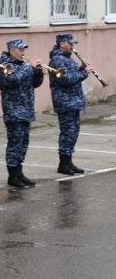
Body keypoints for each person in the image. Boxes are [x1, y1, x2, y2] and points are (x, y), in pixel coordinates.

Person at [0, 39, 44, 187]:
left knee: (23, 143)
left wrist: (38, 72)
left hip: (26, 109)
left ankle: (19, 172)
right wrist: (29, 68)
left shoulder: (23, 65)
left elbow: (34, 84)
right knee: (15, 144)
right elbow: (13, 80)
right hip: (14, 110)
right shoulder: (6, 65)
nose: (23, 53)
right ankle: (12, 176)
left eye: (24, 50)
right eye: (20, 50)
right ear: (12, 51)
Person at [48, 33, 92, 175]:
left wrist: (81, 68)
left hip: (73, 101)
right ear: (62, 44)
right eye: (70, 43)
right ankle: (63, 164)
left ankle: (69, 161)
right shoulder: (57, 60)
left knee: (73, 132)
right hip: (65, 102)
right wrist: (84, 73)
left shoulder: (68, 58)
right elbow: (66, 79)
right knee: (67, 133)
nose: (73, 46)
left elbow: (72, 74)